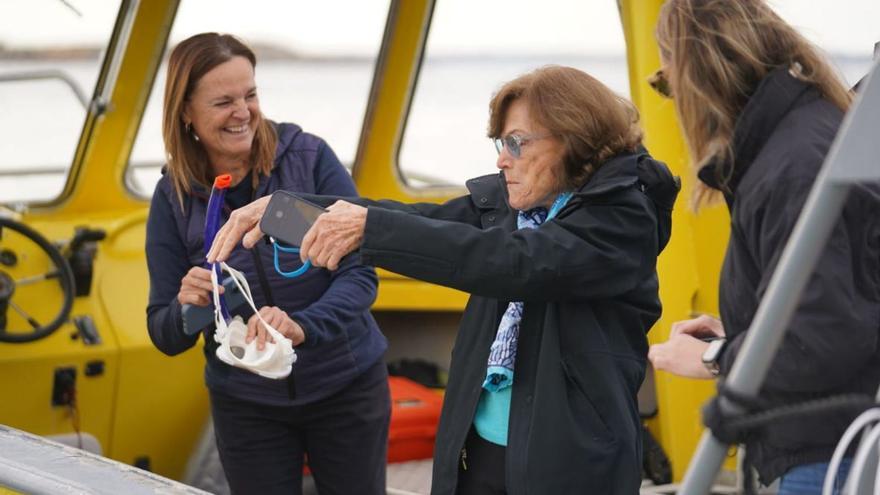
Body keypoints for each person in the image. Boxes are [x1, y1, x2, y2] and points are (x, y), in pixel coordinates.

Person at [208, 65, 680, 494]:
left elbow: (518, 262)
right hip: (479, 454)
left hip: (569, 467)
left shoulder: (622, 218)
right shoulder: (511, 205)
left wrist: (367, 230)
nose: (502, 161)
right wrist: (286, 213)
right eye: (500, 145)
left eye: (517, 143)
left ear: (573, 138)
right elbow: (426, 222)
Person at [646, 1, 880, 494]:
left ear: (701, 73)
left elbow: (821, 342)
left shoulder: (791, 164)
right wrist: (744, 330)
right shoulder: (809, 137)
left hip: (826, 456)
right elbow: (845, 301)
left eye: (667, 83)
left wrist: (714, 356)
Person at [145, 33, 389, 495]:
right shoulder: (172, 198)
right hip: (248, 405)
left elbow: (360, 272)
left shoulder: (308, 160)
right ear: (186, 113)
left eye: (250, 94)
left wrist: (303, 325)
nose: (244, 112)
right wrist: (191, 307)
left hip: (345, 387)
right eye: (223, 102)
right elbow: (165, 331)